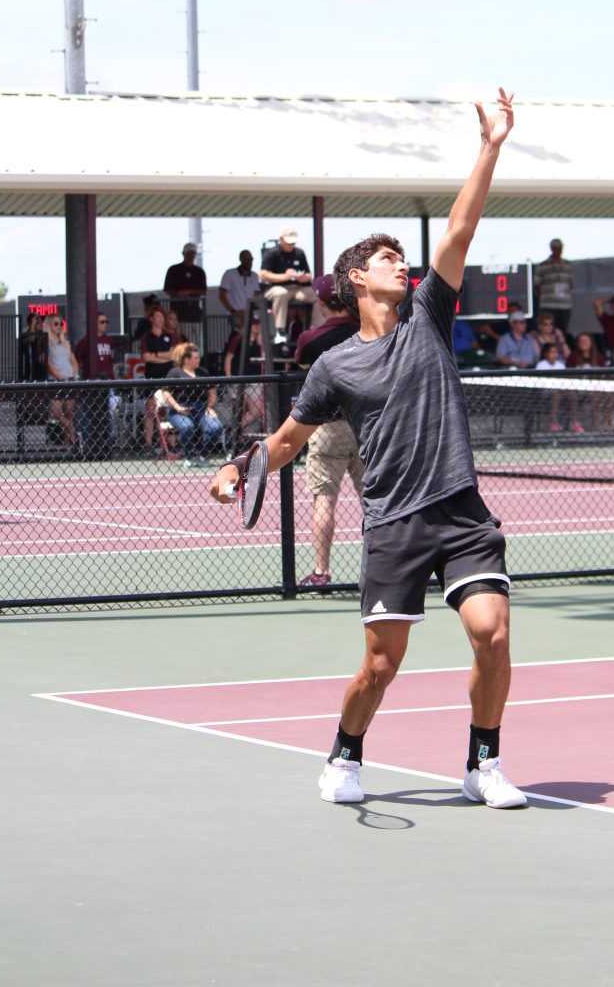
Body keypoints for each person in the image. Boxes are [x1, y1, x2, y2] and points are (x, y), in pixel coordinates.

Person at [210, 87, 526, 809]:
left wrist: (491, 144)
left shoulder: (427, 314)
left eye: (402, 258)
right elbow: (289, 439)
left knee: (492, 634)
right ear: (357, 278)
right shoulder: (333, 366)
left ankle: (484, 763)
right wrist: (240, 464)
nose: (402, 265)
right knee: (381, 665)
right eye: (388, 258)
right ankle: (344, 756)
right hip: (394, 523)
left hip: (462, 508)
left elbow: (462, 225)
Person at [293, 274, 364, 588]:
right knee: (379, 501)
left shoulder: (311, 339)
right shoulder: (367, 329)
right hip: (367, 425)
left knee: (324, 499)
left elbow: (300, 364)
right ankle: (394, 567)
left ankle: (321, 571)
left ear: (321, 304)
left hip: (327, 424)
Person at [162, 343, 225, 467]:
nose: (198, 359)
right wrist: (177, 407)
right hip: (179, 409)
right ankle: (189, 456)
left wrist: (209, 407)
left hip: (201, 408)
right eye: (195, 357)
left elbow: (212, 392)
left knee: (215, 427)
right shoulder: (175, 373)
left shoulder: (202, 372)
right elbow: (166, 392)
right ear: (186, 360)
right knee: (187, 427)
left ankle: (202, 454)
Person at [259, 227, 323, 344]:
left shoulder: (299, 253)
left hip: (297, 288)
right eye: (288, 242)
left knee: (316, 293)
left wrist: (301, 277)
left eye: (293, 242)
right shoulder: (272, 253)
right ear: (281, 239)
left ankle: (317, 329)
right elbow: (263, 275)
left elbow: (309, 275)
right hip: (275, 288)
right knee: (280, 293)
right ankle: (280, 331)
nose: (290, 245)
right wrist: (285, 276)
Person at [73, 312, 118, 456]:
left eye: (106, 321)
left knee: (109, 414)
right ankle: (89, 444)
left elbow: (112, 358)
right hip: (91, 382)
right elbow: (77, 360)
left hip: (108, 381)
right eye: (102, 322)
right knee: (89, 414)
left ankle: (108, 444)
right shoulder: (85, 341)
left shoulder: (109, 340)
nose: (105, 324)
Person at [140, 307, 175, 455]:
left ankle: (171, 444)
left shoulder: (170, 336)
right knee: (151, 411)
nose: (160, 319)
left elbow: (173, 355)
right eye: (158, 317)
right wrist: (163, 356)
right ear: (152, 319)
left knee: (170, 409)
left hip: (168, 376)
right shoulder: (146, 338)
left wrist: (156, 356)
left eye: (162, 317)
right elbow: (146, 358)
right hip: (152, 378)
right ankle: (148, 444)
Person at [43, 313, 80, 452]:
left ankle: (69, 442)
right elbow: (49, 364)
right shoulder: (46, 343)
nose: (59, 327)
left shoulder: (65, 342)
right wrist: (60, 377)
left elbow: (73, 361)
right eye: (55, 324)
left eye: (60, 324)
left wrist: (75, 376)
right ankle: (73, 435)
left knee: (69, 412)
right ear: (49, 326)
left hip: (69, 380)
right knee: (57, 412)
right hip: (56, 381)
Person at [567, 331, 612, 431]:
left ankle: (605, 422)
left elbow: (603, 375)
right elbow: (569, 375)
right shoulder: (573, 357)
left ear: (591, 343)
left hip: (597, 386)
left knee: (612, 394)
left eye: (586, 341)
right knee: (594, 394)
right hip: (578, 387)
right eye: (581, 341)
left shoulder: (599, 357)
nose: (583, 343)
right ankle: (595, 422)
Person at [164, 243, 207, 344]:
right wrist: (179, 294)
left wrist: (190, 292)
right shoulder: (173, 270)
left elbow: (203, 290)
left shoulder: (199, 272)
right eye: (188, 253)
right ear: (183, 254)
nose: (191, 256)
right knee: (180, 342)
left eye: (193, 253)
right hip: (179, 315)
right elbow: (167, 289)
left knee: (195, 343)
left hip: (194, 314)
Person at [533, 238, 573, 333]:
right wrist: (544, 297)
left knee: (562, 331)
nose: (558, 250)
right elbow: (536, 285)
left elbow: (570, 283)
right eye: (556, 248)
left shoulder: (568, 265)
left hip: (565, 305)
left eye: (560, 248)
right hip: (548, 304)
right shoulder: (542, 265)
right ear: (552, 249)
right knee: (547, 329)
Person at [219, 249, 261, 332]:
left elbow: (256, 294)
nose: (249, 262)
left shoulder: (255, 276)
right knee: (242, 333)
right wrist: (233, 311)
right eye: (246, 259)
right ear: (241, 260)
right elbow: (222, 295)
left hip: (250, 314)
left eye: (251, 259)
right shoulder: (229, 274)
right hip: (235, 315)